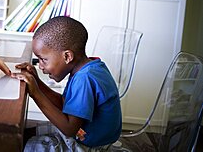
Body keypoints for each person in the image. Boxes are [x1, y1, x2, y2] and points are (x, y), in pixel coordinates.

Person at [12, 16, 121, 151]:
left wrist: (36, 93)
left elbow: (69, 128)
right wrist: (38, 82)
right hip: (82, 131)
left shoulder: (84, 79)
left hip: (89, 144)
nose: (40, 66)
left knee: (27, 147)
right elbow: (65, 105)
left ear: (67, 56)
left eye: (43, 60)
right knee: (24, 133)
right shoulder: (88, 68)